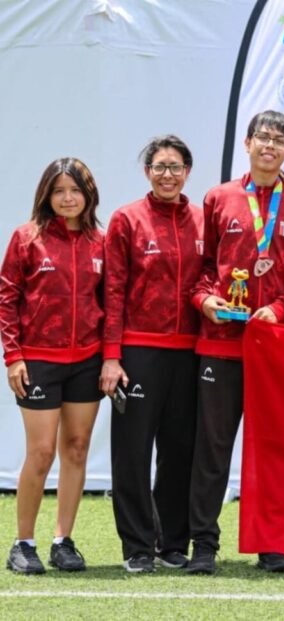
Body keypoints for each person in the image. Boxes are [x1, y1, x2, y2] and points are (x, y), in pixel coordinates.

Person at [186, 110, 284, 575]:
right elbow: (202, 268)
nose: (270, 146)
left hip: (278, 347)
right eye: (263, 137)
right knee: (212, 446)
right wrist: (207, 301)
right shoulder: (219, 198)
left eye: (279, 141)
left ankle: (272, 543)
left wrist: (281, 310)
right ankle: (203, 545)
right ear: (247, 143)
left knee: (273, 447)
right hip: (221, 342)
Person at [99, 136, 203, 573]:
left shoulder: (202, 219)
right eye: (159, 166)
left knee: (181, 451)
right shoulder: (127, 219)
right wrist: (111, 355)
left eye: (175, 167)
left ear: (187, 172)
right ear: (147, 172)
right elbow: (113, 291)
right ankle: (138, 546)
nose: (167, 174)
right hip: (138, 352)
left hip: (191, 354)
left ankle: (172, 543)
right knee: (133, 453)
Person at [0, 158, 104, 574]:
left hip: (87, 360)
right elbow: (6, 300)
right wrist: (13, 356)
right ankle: (23, 543)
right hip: (38, 361)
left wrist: (108, 356)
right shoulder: (26, 239)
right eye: (59, 190)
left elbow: (110, 303)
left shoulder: (102, 240)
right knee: (41, 453)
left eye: (75, 190)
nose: (67, 198)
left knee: (76, 449)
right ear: (47, 194)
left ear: (87, 195)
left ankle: (63, 540)